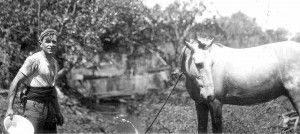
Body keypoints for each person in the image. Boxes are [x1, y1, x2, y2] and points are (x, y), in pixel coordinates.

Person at [5, 28, 64, 133]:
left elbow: (52, 88)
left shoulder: (54, 62)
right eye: (47, 41)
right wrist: (10, 107)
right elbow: (16, 82)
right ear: (41, 44)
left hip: (49, 106)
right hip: (34, 106)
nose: (51, 44)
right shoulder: (34, 60)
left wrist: (58, 111)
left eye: (54, 42)